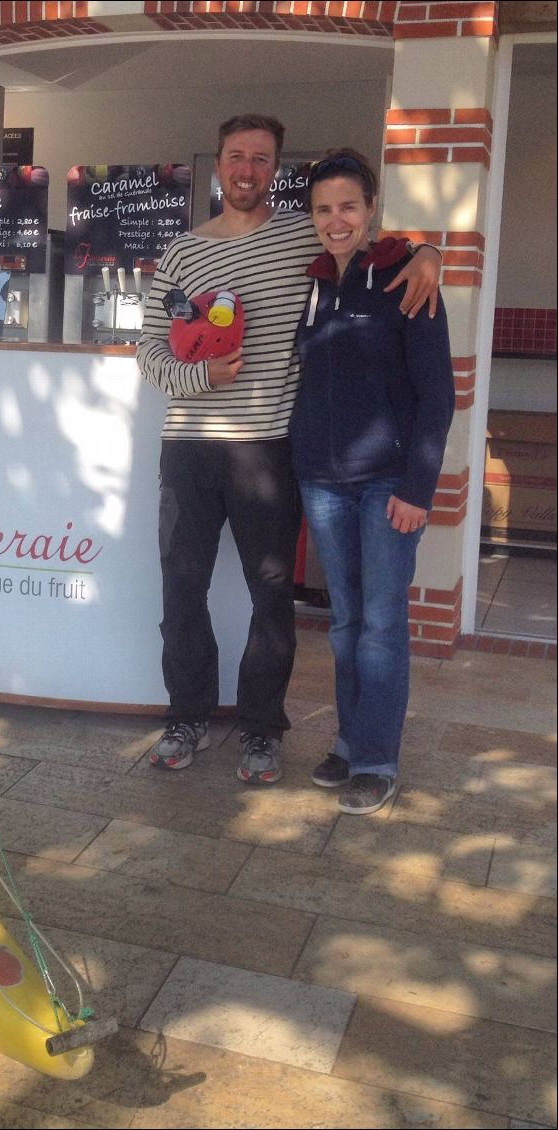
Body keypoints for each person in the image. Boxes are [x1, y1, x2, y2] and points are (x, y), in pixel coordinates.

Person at [136, 114, 441, 785]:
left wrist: (427, 252)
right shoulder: (182, 252)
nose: (248, 170)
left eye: (262, 160)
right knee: (181, 590)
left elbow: (363, 241)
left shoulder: (301, 234)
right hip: (187, 447)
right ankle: (186, 714)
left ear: (275, 171)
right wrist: (200, 377)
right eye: (237, 156)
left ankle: (262, 729)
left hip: (269, 450)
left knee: (271, 597)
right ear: (218, 163)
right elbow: (150, 348)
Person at [292, 149, 454, 814]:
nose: (336, 220)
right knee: (345, 625)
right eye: (324, 208)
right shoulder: (312, 282)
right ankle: (351, 740)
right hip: (323, 483)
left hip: (387, 485)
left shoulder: (405, 280)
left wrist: (418, 488)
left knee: (382, 626)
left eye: (348, 207)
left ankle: (378, 758)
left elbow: (437, 395)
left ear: (370, 209)